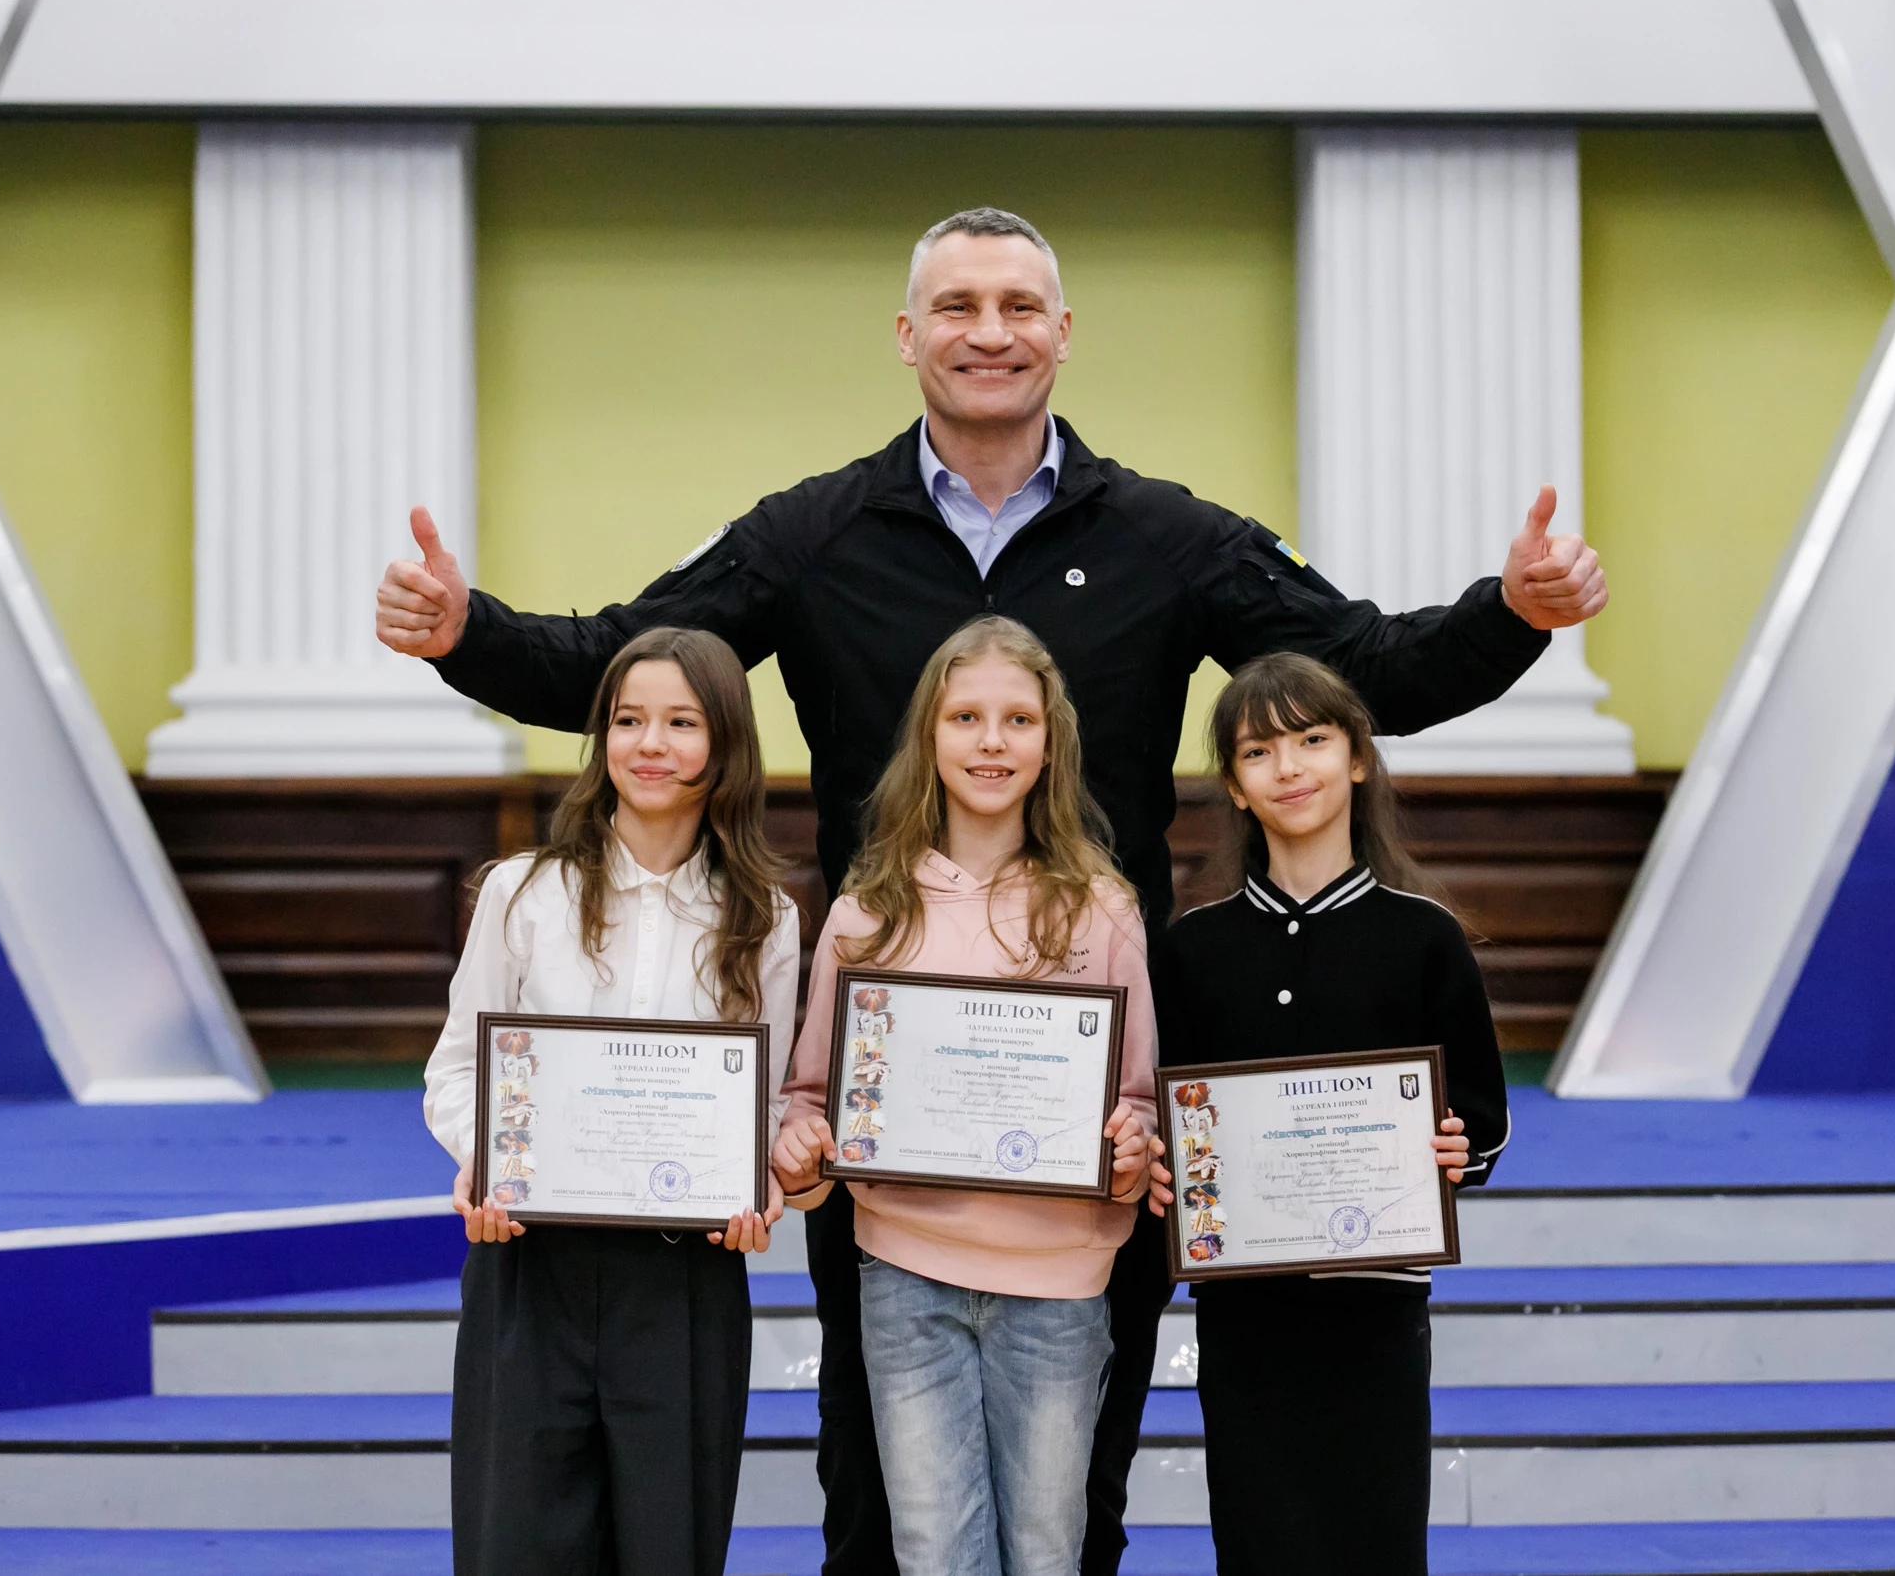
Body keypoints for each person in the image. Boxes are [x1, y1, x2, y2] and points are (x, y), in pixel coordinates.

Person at [376, 206, 1606, 1576]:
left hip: (1087, 1129)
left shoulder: (1168, 535)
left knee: (1072, 1498)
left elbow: (1363, 667)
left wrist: (1515, 613)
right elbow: (625, 658)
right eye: (957, 305)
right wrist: (463, 633)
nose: (990, 331)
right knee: (877, 1493)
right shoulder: (814, 532)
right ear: (908, 337)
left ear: (1063, 336)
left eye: (1020, 305)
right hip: (881, 1128)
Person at [771, 617, 1157, 1576]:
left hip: (1061, 1288)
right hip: (906, 1278)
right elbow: (809, 1100)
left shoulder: (1102, 908)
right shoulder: (868, 913)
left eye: (1018, 718)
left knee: (1044, 1554)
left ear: (1050, 742)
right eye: (968, 717)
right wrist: (805, 1158)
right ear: (929, 738)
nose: (992, 740)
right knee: (936, 1555)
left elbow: (1138, 1104)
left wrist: (1129, 1151)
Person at [422, 626, 804, 1576]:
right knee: (515, 1545)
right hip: (527, 1263)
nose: (650, 743)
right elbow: (457, 1071)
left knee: (669, 1546)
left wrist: (759, 1183)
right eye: (628, 720)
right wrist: (487, 1158)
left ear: (723, 744)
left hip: (681, 1281)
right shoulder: (522, 892)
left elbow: (765, 1103)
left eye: (680, 721)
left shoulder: (766, 917)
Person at [1147, 652, 1510, 1576]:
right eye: (1260, 749)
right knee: (1260, 1537)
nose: (1290, 765)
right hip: (1243, 1316)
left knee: (1375, 1539)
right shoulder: (1195, 947)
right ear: (1233, 784)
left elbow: (1482, 1121)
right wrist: (1165, 1170)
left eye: (1314, 738)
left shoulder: (1423, 935)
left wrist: (1454, 1146)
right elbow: (1175, 1115)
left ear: (1357, 758)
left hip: (1376, 1310)